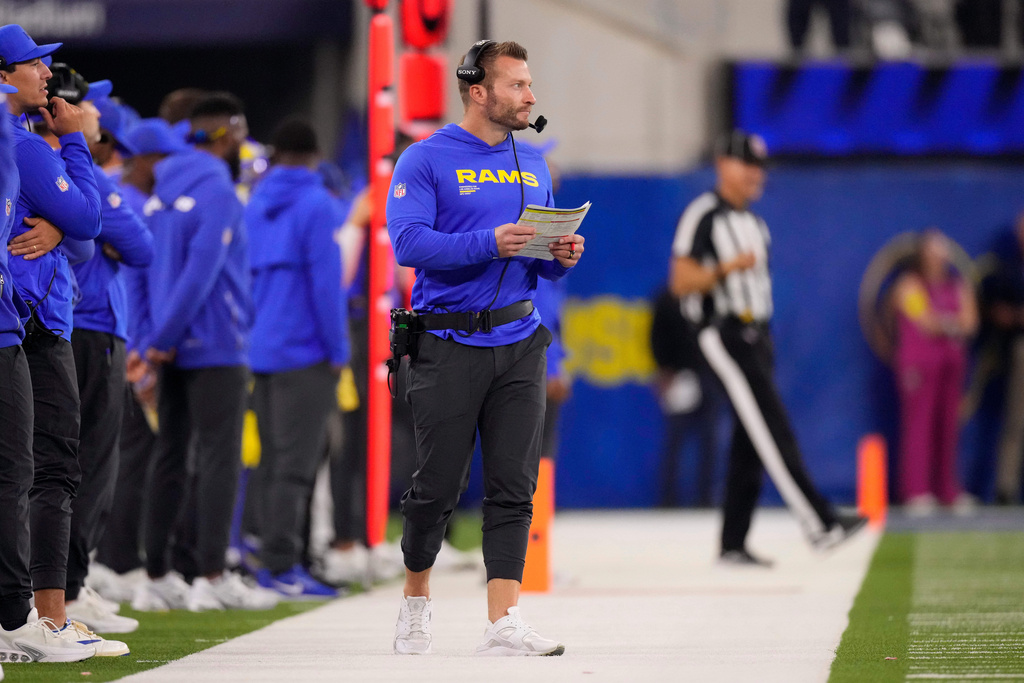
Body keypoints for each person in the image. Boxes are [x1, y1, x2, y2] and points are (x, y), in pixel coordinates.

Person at [386, 39, 582, 657]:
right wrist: (487, 242)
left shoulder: (535, 162)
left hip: (521, 338)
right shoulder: (425, 159)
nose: (530, 95)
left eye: (529, 83)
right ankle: (415, 599)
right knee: (437, 487)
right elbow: (409, 243)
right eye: (518, 85)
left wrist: (561, 257)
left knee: (513, 484)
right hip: (448, 340)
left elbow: (536, 260)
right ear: (479, 92)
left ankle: (504, 620)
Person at [669, 130, 866, 568]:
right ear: (723, 165)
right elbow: (681, 281)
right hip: (721, 333)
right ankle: (821, 522)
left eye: (759, 166)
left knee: (750, 437)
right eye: (747, 164)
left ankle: (733, 543)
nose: (756, 174)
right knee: (771, 425)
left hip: (757, 335)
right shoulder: (704, 214)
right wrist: (726, 268)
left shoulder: (756, 224)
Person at [0, 24, 122, 659]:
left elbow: (77, 232)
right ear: (3, 74)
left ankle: (45, 612)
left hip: (33, 318)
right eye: (34, 65)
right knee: (41, 469)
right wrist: (75, 144)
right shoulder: (26, 146)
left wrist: (59, 225)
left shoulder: (20, 143)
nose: (47, 75)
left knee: (41, 468)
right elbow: (92, 223)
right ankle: (37, 614)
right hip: (34, 321)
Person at [131, 93, 277, 612]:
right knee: (219, 458)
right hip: (214, 341)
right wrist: (163, 340)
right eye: (239, 133)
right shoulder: (217, 186)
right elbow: (202, 271)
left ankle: (156, 577)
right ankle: (211, 577)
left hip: (169, 345)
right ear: (226, 133)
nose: (243, 143)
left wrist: (153, 342)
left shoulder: (158, 186)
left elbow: (144, 269)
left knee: (170, 456)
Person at [244, 117, 348, 599]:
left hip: (262, 349)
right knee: (298, 466)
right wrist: (338, 349)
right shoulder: (317, 204)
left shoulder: (256, 202)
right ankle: (284, 567)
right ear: (314, 156)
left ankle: (285, 561)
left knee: (273, 463)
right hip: (305, 350)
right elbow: (327, 287)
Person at [62, 86, 153, 635]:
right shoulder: (85, 174)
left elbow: (137, 246)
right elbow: (136, 247)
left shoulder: (80, 173)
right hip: (88, 327)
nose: (93, 108)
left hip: (93, 325)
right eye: (88, 101)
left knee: (88, 465)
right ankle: (64, 590)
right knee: (82, 465)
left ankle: (71, 582)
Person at [89, 118, 186, 601]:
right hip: (124, 343)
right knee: (127, 458)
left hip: (125, 341)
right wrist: (141, 355)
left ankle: (114, 558)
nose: (171, 168)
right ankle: (117, 559)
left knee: (128, 456)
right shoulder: (128, 203)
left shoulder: (135, 201)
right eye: (165, 159)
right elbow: (132, 287)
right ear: (146, 160)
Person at [891, 229, 978, 514]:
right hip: (919, 365)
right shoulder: (909, 285)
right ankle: (916, 490)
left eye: (943, 247)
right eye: (933, 247)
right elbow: (925, 321)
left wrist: (950, 323)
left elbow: (970, 322)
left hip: (950, 364)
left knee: (949, 426)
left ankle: (947, 490)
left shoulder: (957, 284)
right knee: (919, 425)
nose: (940, 253)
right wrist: (951, 324)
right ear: (923, 253)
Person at [985, 214, 1024, 504]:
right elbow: (997, 311)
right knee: (1016, 419)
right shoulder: (1009, 269)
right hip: (1020, 346)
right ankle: (1005, 489)